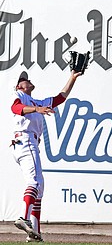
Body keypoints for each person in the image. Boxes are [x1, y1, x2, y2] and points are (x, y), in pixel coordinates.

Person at [11, 69, 82, 242]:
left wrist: (72, 78)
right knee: (34, 182)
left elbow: (60, 97)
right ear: (19, 85)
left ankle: (34, 232)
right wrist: (36, 108)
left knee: (39, 187)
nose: (28, 81)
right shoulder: (19, 96)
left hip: (29, 143)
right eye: (24, 80)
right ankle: (23, 217)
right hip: (25, 140)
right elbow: (16, 108)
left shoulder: (36, 101)